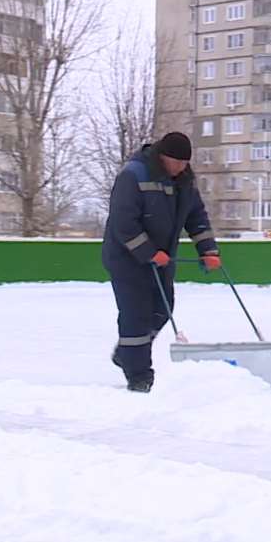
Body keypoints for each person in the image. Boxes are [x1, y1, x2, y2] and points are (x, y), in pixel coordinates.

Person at [102, 132, 221, 393]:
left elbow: (196, 217)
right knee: (136, 315)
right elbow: (124, 224)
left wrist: (208, 250)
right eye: (176, 162)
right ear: (163, 157)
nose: (181, 168)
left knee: (162, 310)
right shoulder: (134, 175)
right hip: (127, 259)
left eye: (185, 163)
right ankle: (139, 376)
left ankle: (127, 353)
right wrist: (148, 252)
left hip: (162, 259)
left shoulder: (185, 182)